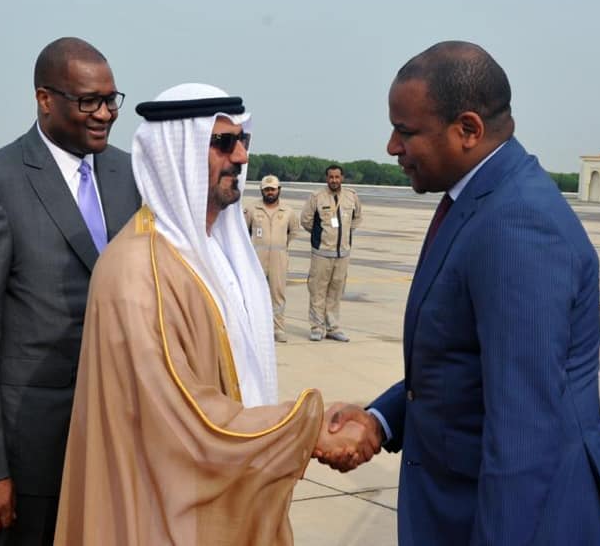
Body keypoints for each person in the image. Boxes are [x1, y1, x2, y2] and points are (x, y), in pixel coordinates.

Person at [318, 41, 600, 545]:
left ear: (468, 130)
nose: (392, 147)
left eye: (406, 131)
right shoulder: (481, 201)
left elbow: (525, 435)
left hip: (521, 522)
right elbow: (466, 369)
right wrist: (380, 421)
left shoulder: (517, 224)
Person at [54, 83, 374, 546]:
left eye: (243, 140)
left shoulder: (221, 255)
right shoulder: (138, 270)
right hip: (161, 514)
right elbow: (182, 416)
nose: (241, 156)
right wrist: (304, 429)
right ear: (177, 154)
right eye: (222, 143)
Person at [0, 37, 141, 545]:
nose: (105, 114)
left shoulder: (129, 175)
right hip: (32, 455)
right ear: (45, 99)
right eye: (89, 101)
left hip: (119, 443)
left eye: (111, 100)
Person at [300, 164, 362, 342]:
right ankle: (317, 327)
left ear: (342, 178)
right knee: (317, 291)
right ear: (326, 178)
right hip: (322, 253)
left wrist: (344, 235)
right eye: (331, 177)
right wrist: (321, 236)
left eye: (337, 177)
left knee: (336, 292)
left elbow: (357, 218)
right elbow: (306, 220)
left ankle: (333, 327)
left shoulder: (351, 196)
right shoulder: (317, 197)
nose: (334, 180)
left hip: (342, 255)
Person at [244, 174, 300, 343]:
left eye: (273, 189)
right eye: (267, 189)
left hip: (279, 258)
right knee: (254, 293)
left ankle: (278, 328)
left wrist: (280, 245)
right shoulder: (252, 209)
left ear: (279, 190)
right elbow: (244, 231)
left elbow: (293, 232)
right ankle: (255, 327)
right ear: (262, 190)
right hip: (257, 259)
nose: (270, 192)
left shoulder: (288, 211)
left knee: (278, 294)